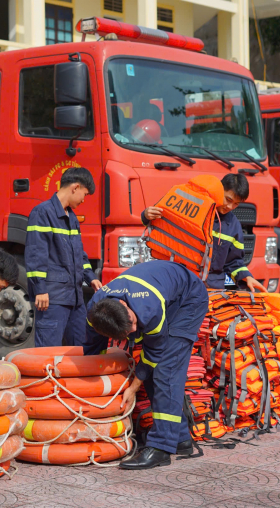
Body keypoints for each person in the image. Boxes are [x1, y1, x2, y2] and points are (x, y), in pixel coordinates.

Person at [83, 261, 208, 469]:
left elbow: (154, 354)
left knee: (166, 371)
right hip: (164, 289)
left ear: (124, 305)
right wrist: (91, 384)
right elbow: (92, 347)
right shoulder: (94, 313)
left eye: (133, 323)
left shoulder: (147, 309)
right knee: (155, 373)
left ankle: (160, 449)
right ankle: (179, 438)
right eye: (128, 331)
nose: (134, 329)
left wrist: (132, 387)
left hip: (188, 300)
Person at [142, 173, 266, 292]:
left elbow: (234, 262)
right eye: (228, 199)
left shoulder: (233, 225)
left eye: (236, 204)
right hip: (178, 280)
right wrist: (147, 215)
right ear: (219, 191)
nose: (230, 206)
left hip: (212, 288)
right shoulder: (193, 208)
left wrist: (247, 277)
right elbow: (165, 226)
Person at [25, 167, 102, 347]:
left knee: (80, 349)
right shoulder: (42, 213)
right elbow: (36, 253)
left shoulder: (72, 217)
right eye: (84, 194)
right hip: (52, 298)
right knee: (48, 352)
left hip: (75, 298)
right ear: (75, 187)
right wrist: (40, 289)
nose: (84, 199)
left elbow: (79, 254)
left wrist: (91, 278)